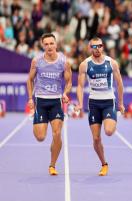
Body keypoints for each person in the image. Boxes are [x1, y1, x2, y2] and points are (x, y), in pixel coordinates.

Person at [75, 37, 125, 176]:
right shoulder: (85, 65)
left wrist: (120, 103)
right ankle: (104, 164)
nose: (97, 49)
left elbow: (119, 84)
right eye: (94, 46)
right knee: (96, 139)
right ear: (90, 48)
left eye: (99, 46)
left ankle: (112, 118)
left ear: (103, 47)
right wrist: (80, 103)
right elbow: (80, 85)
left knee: (109, 131)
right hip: (94, 103)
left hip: (109, 102)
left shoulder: (111, 63)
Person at [26, 33, 72, 175]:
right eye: (46, 44)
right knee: (40, 137)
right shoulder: (37, 61)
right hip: (40, 101)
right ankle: (53, 144)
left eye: (51, 43)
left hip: (56, 101)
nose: (49, 46)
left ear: (56, 44)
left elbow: (69, 82)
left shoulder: (64, 61)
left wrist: (65, 93)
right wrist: (30, 98)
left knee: (57, 134)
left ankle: (52, 165)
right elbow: (30, 80)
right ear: (43, 46)